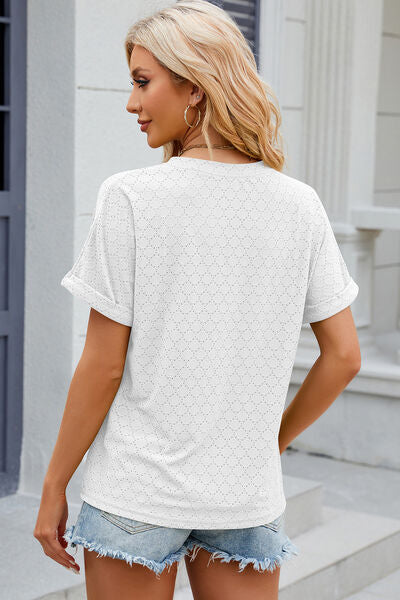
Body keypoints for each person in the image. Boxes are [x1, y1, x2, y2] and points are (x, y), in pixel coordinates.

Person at [33, 1, 361, 599]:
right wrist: (267, 445)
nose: (131, 103)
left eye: (142, 82)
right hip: (244, 492)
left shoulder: (131, 197)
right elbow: (343, 357)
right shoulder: (300, 205)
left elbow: (104, 365)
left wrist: (54, 484)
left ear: (196, 86)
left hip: (137, 490)